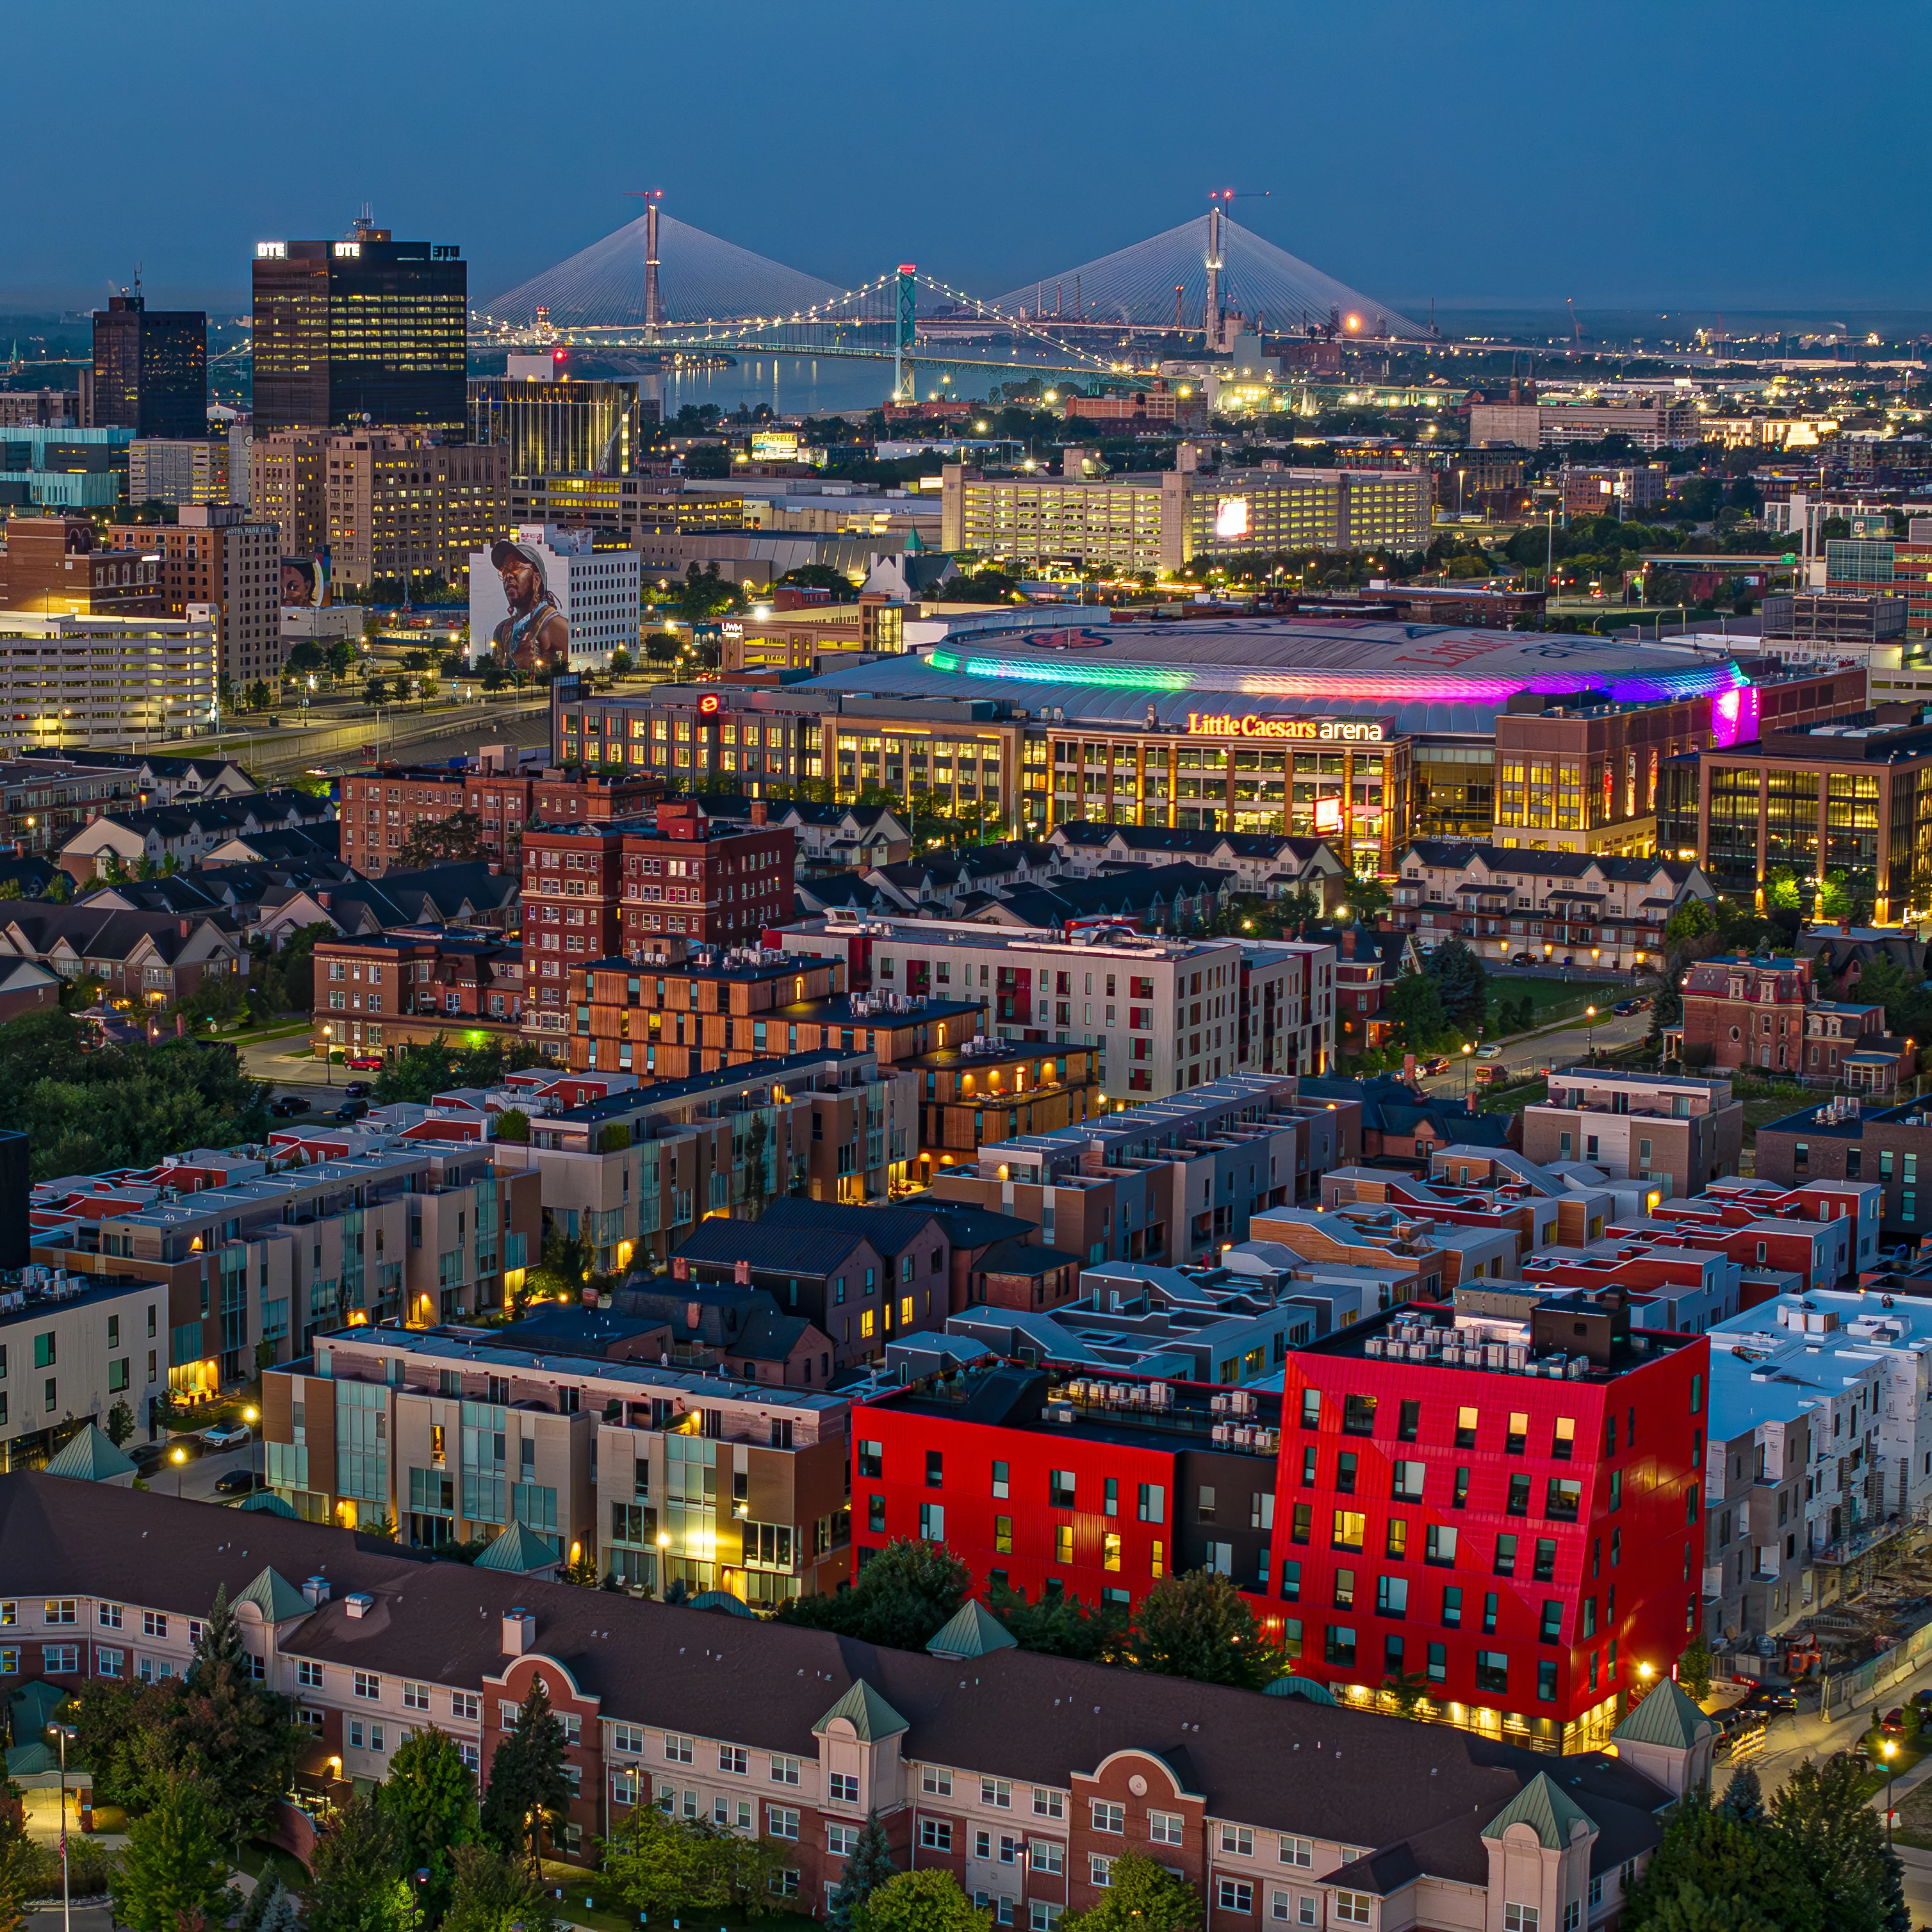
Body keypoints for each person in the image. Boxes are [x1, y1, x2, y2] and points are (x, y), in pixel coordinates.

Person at [489, 538, 569, 673]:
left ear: (537, 580)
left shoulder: (557, 626)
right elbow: (492, 674)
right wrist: (516, 661)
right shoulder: (502, 630)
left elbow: (564, 675)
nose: (508, 576)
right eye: (504, 572)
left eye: (517, 568)